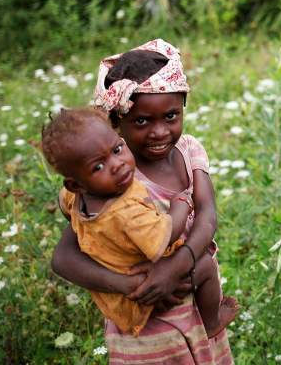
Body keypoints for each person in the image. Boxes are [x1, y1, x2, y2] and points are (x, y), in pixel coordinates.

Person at [50, 39, 235, 364]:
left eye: (171, 116)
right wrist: (130, 285)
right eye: (141, 121)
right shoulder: (110, 183)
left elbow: (207, 214)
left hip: (197, 312)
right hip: (148, 329)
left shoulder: (189, 150)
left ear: (183, 106)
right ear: (115, 121)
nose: (159, 132)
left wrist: (176, 267)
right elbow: (64, 257)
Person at [42, 107, 234, 340]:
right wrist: (181, 205)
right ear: (76, 184)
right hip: (149, 292)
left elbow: (66, 208)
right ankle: (212, 321)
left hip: (121, 299)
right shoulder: (125, 209)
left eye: (117, 149)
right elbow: (166, 235)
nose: (117, 164)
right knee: (205, 265)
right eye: (98, 167)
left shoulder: (77, 197)